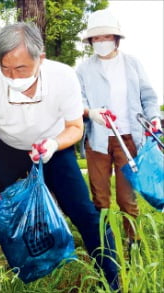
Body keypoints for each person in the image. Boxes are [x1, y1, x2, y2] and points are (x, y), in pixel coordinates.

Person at [0, 22, 119, 293]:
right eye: (5, 68)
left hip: (53, 148)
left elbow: (75, 127)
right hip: (8, 149)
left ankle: (113, 282)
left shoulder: (63, 77)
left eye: (21, 68)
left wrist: (53, 143)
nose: (12, 77)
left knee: (85, 214)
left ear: (41, 58)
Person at [76, 9, 161, 250]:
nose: (102, 42)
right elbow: (78, 102)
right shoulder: (83, 70)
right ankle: (105, 245)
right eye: (97, 38)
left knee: (127, 198)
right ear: (91, 41)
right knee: (100, 198)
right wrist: (91, 113)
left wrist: (153, 117)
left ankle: (133, 243)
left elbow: (149, 97)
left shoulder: (133, 63)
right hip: (98, 140)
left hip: (129, 139)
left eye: (106, 37)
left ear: (116, 38)